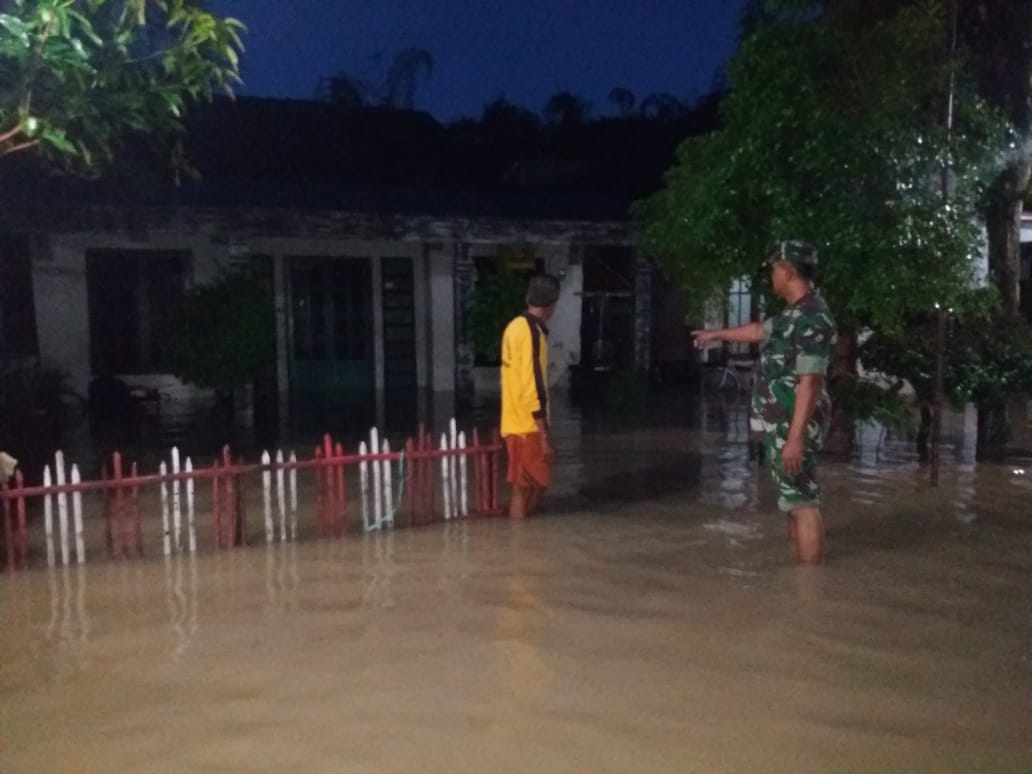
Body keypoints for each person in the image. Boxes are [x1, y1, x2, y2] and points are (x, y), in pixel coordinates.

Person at [693, 241, 836, 563]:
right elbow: (760, 331)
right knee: (792, 499)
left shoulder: (812, 318)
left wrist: (796, 440)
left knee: (802, 501)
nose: (772, 275)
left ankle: (808, 588)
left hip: (793, 421)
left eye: (774, 269)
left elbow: (811, 381)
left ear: (786, 269)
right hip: (783, 420)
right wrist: (716, 334)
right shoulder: (795, 314)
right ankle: (797, 576)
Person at [500, 273, 561, 519]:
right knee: (526, 488)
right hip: (529, 425)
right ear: (552, 305)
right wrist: (544, 433)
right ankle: (520, 544)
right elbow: (533, 385)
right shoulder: (531, 333)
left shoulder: (513, 327)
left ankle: (521, 542)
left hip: (513, 420)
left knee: (530, 485)